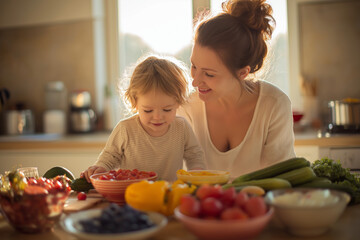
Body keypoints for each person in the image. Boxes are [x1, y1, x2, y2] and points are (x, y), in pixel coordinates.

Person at [177, 0, 296, 178]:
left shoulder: (274, 105)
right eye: (194, 66)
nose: (195, 82)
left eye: (209, 74)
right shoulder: (186, 108)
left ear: (242, 73)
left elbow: (282, 180)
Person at [82, 54, 206, 182]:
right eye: (148, 110)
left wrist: (197, 171)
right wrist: (100, 167)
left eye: (167, 109)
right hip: (131, 195)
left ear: (178, 103)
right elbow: (110, 156)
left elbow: (194, 154)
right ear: (135, 103)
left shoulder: (182, 126)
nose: (157, 117)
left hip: (168, 194)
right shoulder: (125, 129)